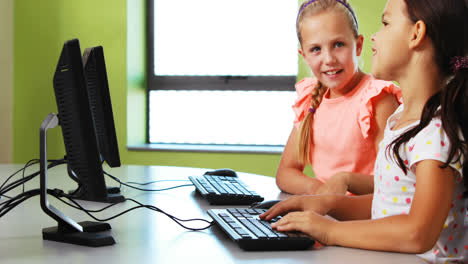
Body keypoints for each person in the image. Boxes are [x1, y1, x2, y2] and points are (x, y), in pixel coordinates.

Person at [261, 0, 468, 262]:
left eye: (385, 23)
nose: (374, 35)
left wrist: (329, 229)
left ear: (416, 34)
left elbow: (418, 233)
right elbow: (386, 206)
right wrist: (328, 204)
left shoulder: (435, 132)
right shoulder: (401, 120)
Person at [276, 0, 401, 195]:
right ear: (304, 55)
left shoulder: (377, 98)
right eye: (316, 49)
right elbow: (285, 173)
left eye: (338, 44)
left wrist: (341, 188)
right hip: (328, 213)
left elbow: (393, 181)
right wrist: (320, 191)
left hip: (363, 217)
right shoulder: (310, 99)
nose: (329, 59)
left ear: (358, 46)